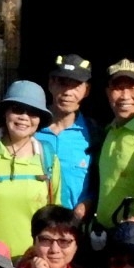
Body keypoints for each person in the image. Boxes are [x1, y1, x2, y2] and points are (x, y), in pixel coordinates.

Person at [0, 81, 62, 257]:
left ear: (40, 120)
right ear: (5, 113)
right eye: (17, 109)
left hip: (34, 259)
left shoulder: (48, 158)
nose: (24, 117)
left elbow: (55, 214)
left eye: (33, 112)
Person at [93, 59, 134, 231]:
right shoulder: (108, 131)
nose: (124, 96)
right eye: (118, 88)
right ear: (108, 93)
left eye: (132, 87)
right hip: (106, 239)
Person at [39, 52, 96, 215]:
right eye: (62, 83)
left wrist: (86, 206)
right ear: (50, 83)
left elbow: (103, 182)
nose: (68, 92)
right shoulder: (29, 128)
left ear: (87, 90)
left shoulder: (95, 134)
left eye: (76, 85)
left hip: (74, 228)